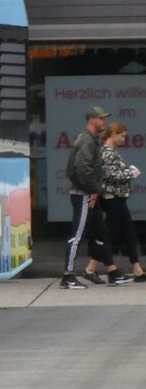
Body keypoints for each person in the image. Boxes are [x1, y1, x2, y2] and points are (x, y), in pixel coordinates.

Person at [61, 106, 125, 288]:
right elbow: (82, 170)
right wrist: (94, 191)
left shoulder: (88, 139)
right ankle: (68, 276)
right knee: (77, 235)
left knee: (102, 233)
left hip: (88, 193)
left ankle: (111, 271)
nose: (105, 122)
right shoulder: (87, 141)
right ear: (92, 120)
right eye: (101, 118)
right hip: (85, 195)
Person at [97, 121, 145, 282]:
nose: (124, 139)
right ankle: (91, 267)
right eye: (122, 136)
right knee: (111, 232)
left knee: (129, 232)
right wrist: (131, 173)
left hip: (118, 197)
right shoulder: (107, 153)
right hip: (113, 198)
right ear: (114, 134)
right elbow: (112, 176)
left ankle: (137, 269)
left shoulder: (110, 152)